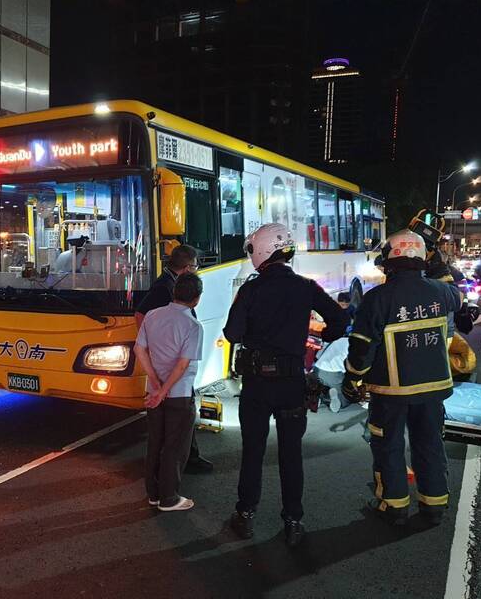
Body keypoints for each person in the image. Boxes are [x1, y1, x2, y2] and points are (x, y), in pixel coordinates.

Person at [224, 223, 348, 547]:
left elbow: (232, 333)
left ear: (262, 251)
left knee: (253, 451)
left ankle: (246, 515)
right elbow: (339, 320)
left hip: (256, 385)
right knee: (290, 455)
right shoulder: (306, 287)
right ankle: (293, 521)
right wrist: (319, 338)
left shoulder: (251, 290)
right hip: (292, 381)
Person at [343, 229, 461, 527]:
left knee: (389, 446)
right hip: (434, 389)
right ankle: (434, 505)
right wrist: (436, 260)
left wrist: (353, 379)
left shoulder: (377, 299)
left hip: (391, 391)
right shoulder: (442, 292)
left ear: (388, 261)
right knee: (429, 444)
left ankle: (394, 505)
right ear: (422, 258)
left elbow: (361, 347)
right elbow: (455, 292)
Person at [136, 244, 213, 473]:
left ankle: (182, 461)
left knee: (173, 422)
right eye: (196, 266)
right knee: (178, 419)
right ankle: (173, 480)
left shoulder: (171, 283)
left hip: (169, 368)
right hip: (170, 369)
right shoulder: (164, 286)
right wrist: (150, 345)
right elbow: (140, 315)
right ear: (188, 267)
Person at [134, 273, 204, 511]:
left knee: (155, 442)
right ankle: (169, 498)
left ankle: (153, 494)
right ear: (196, 299)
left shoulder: (153, 315)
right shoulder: (192, 325)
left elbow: (139, 350)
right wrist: (164, 390)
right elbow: (183, 364)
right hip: (179, 394)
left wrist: (155, 383)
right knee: (175, 446)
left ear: (174, 293)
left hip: (153, 393)